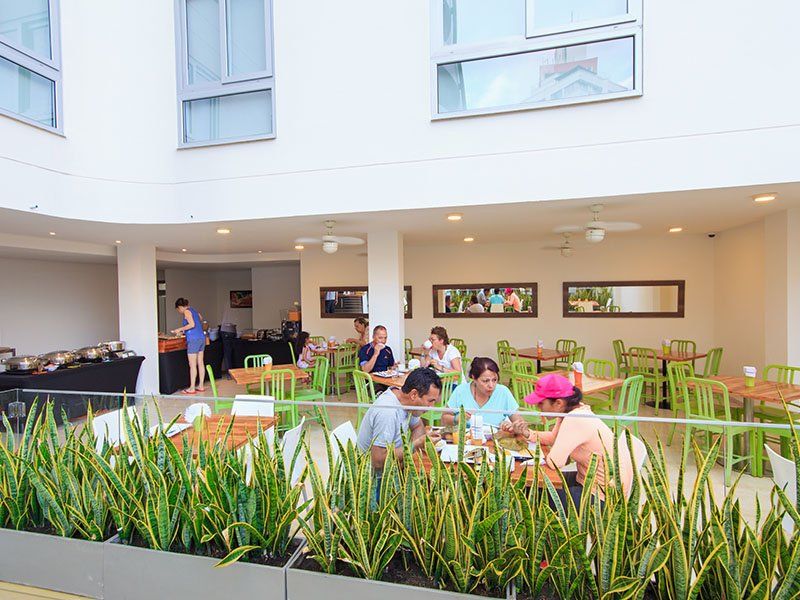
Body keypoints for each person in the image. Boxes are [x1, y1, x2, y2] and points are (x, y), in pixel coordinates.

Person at [503, 373, 633, 508]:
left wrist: (544, 455)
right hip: (587, 481)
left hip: (602, 496)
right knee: (534, 484)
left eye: (541, 403)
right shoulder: (571, 410)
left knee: (532, 493)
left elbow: (555, 462)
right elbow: (553, 438)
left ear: (558, 403)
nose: (538, 408)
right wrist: (526, 433)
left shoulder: (576, 418)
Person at [357, 368, 443, 470]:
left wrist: (409, 455)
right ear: (414, 394)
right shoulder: (388, 411)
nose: (431, 407)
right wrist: (417, 444)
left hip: (396, 467)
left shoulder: (405, 401)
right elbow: (378, 461)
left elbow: (418, 426)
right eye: (430, 401)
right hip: (377, 477)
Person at [442, 357, 525, 428]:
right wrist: (457, 419)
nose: (491, 385)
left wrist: (512, 426)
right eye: (485, 381)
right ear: (474, 378)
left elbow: (519, 422)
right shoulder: (461, 391)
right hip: (467, 442)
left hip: (496, 440)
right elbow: (444, 418)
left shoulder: (503, 392)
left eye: (494, 380)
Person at [171, 298, 206, 394]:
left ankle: (192, 388)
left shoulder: (186, 311)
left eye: (178, 309)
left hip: (193, 339)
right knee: (200, 363)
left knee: (192, 365)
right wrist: (184, 330)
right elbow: (200, 319)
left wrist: (179, 329)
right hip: (201, 338)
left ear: (180, 307)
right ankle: (201, 386)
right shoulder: (193, 310)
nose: (179, 312)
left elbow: (192, 324)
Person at [219, 305, 237, 377]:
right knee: (230, 353)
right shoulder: (233, 312)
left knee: (227, 353)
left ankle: (229, 374)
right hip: (231, 332)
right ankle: (231, 373)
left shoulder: (226, 311)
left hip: (225, 332)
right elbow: (234, 324)